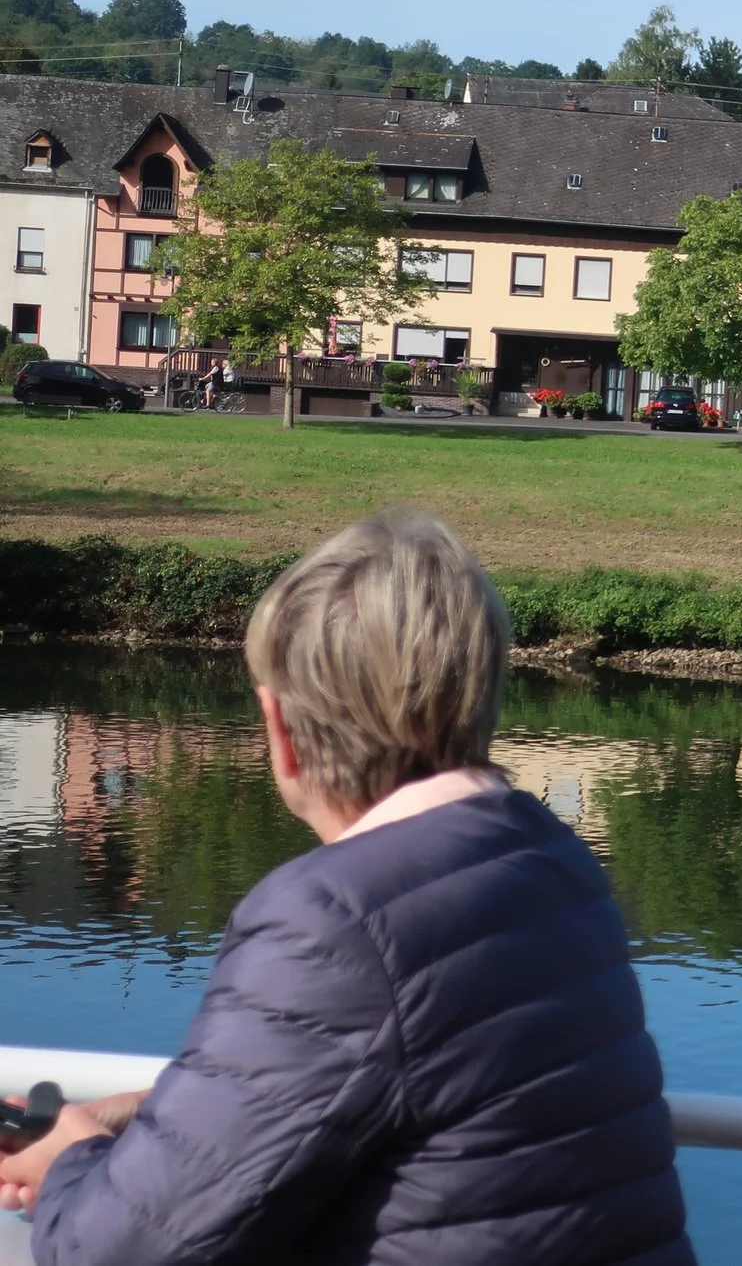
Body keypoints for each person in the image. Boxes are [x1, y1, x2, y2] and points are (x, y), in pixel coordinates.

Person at [0, 510, 693, 1266]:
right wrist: (163, 1118)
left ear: (282, 728)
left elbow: (118, 1253)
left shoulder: (333, 922)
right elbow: (425, 1095)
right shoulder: (557, 863)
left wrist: (70, 1160)